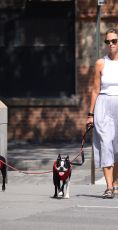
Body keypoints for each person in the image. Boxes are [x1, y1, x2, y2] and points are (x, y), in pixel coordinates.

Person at [86, 28, 118, 199]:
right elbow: (95, 90)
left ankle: (115, 183)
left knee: (117, 148)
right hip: (103, 105)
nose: (111, 44)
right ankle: (108, 187)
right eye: (108, 42)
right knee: (106, 145)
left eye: (114, 41)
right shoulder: (100, 63)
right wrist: (90, 114)